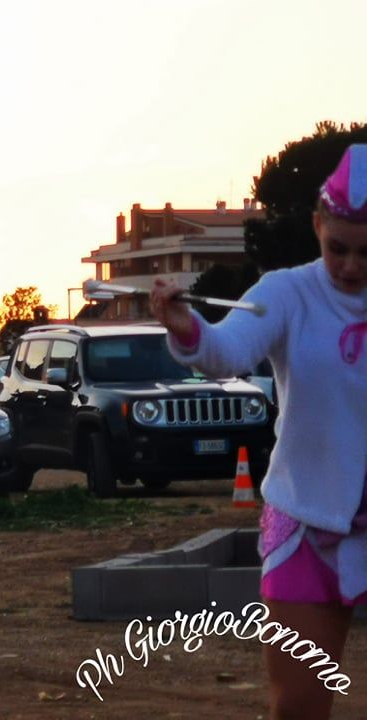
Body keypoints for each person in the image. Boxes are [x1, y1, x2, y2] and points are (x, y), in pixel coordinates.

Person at [149, 144, 367, 719]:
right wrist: (187, 328)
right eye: (338, 248)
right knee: (298, 707)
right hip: (306, 521)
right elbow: (227, 351)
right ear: (317, 226)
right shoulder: (287, 292)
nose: (350, 266)